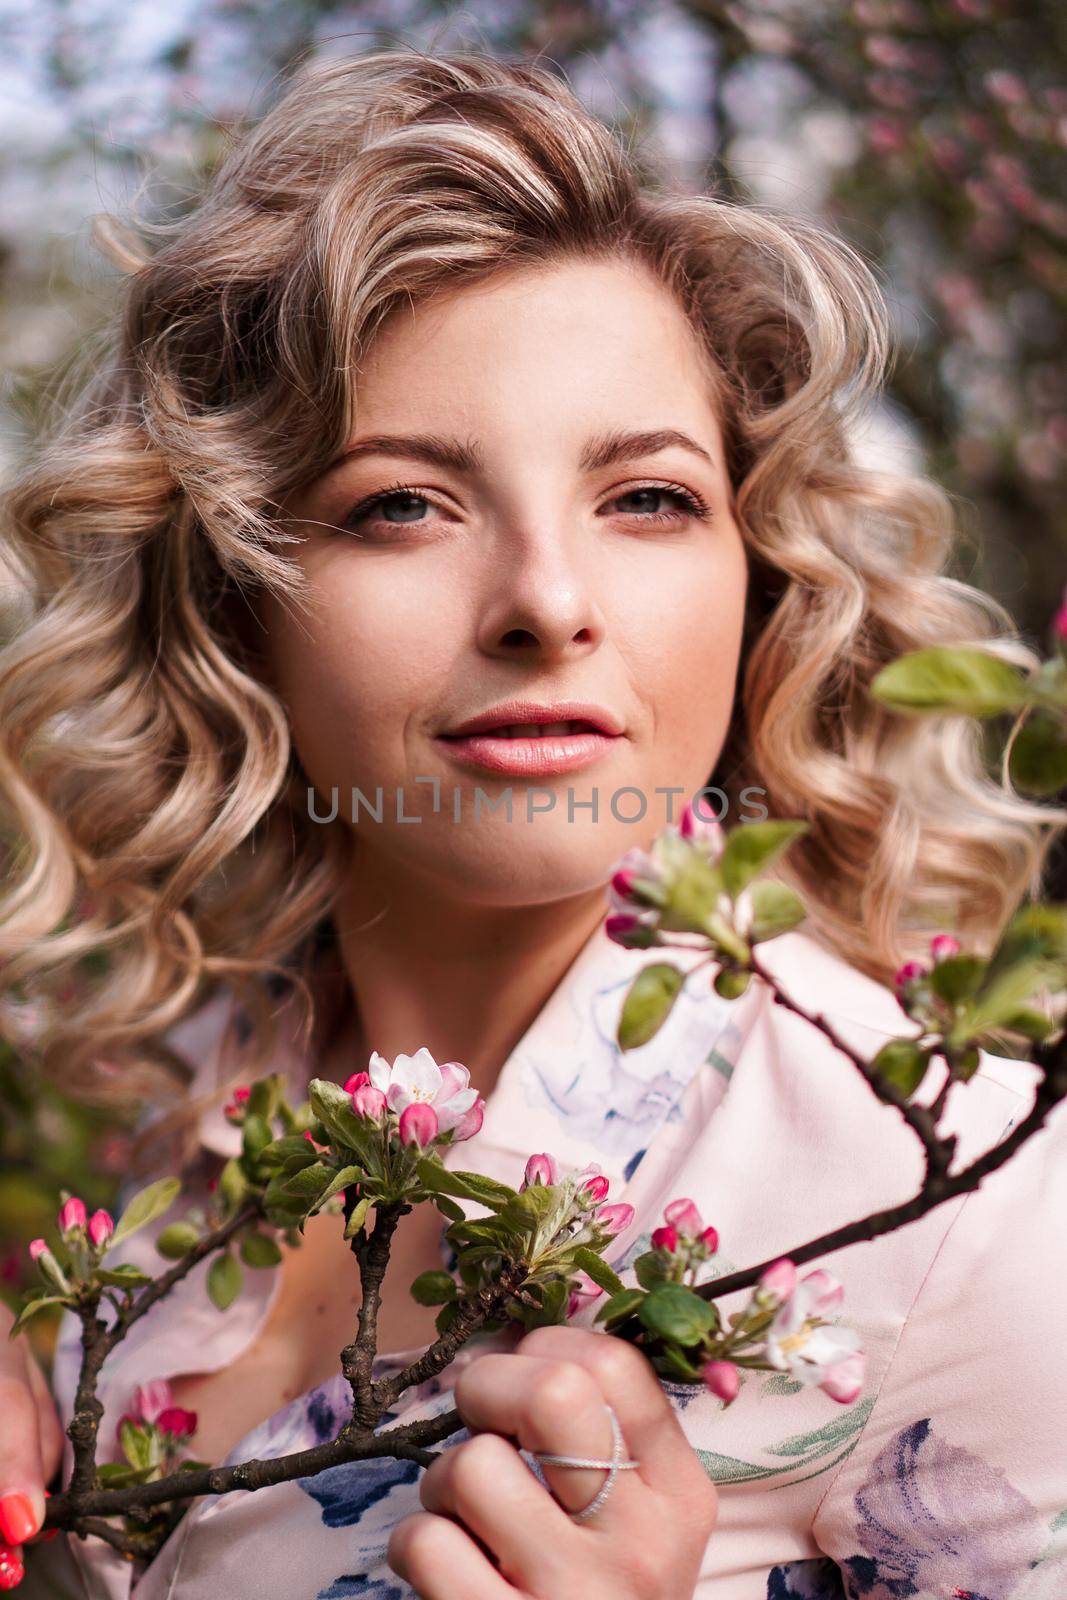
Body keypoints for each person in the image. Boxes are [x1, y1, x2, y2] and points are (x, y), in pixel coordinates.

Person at [0, 45, 1064, 1600]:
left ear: (758, 576)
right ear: (240, 608)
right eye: (400, 505)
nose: (548, 606)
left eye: (646, 499)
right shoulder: (175, 1099)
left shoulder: (974, 1222)